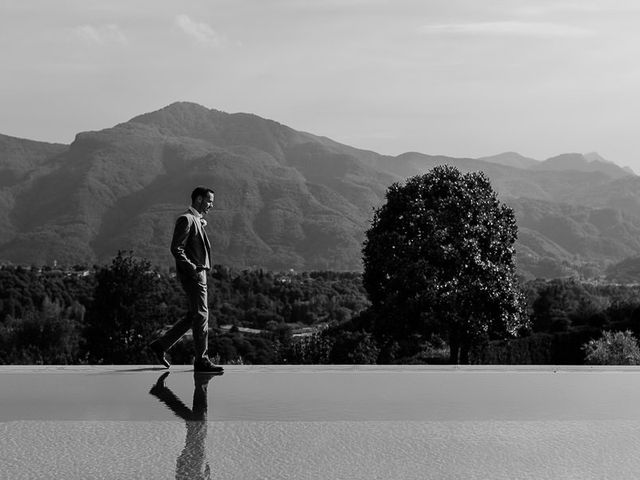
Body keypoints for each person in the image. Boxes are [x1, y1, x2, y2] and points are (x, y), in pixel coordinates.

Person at [149, 187, 223, 373]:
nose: (211, 205)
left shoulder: (195, 220)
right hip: (194, 275)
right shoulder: (186, 219)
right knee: (202, 316)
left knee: (193, 316)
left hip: (199, 275)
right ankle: (201, 360)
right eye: (209, 201)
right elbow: (176, 248)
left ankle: (161, 345)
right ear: (198, 199)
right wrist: (193, 269)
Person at [149, 371, 221, 479]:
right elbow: (184, 467)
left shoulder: (187, 474)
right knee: (197, 417)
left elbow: (181, 467)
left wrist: (186, 457)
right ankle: (201, 382)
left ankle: (201, 382)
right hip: (196, 448)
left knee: (199, 417)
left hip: (195, 448)